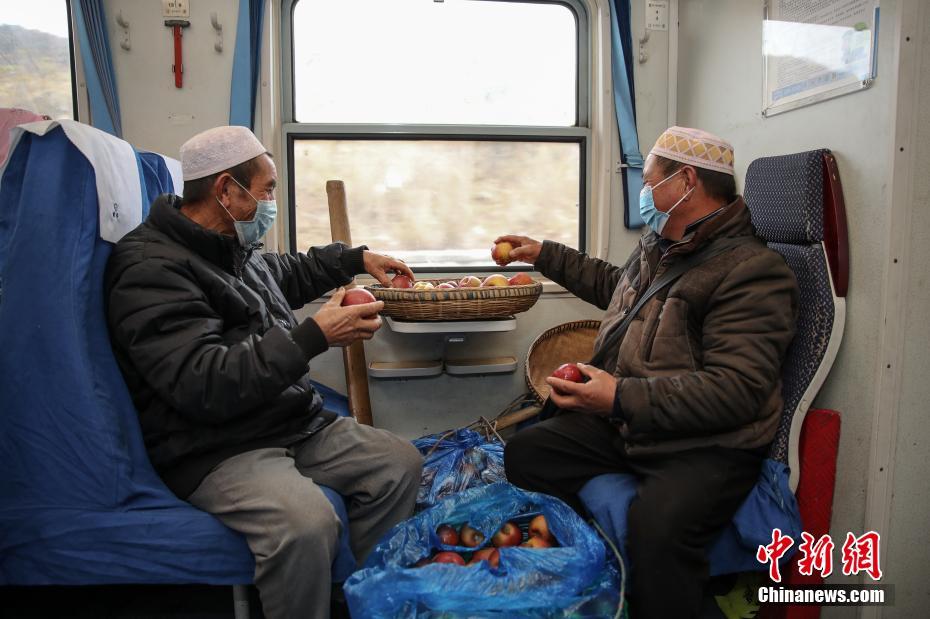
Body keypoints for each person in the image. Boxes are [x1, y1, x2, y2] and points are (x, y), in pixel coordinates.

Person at [104, 126, 423, 619]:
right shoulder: (150, 269)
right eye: (267, 189)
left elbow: (285, 274)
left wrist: (355, 259)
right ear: (227, 190)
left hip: (286, 422)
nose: (272, 201)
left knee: (399, 463)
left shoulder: (228, 247)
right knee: (305, 523)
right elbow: (202, 382)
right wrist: (315, 336)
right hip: (215, 444)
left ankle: (354, 597)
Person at [499, 127, 799, 619]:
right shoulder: (664, 240)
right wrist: (544, 254)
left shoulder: (752, 272)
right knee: (529, 452)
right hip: (640, 419)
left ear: (685, 182)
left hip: (708, 442)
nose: (644, 190)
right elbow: (623, 290)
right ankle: (588, 571)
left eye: (649, 179)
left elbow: (738, 392)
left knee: (657, 532)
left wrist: (618, 396)